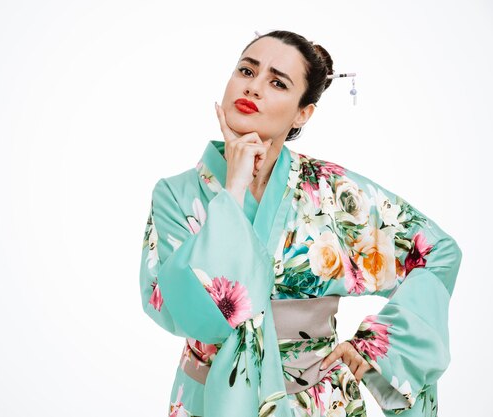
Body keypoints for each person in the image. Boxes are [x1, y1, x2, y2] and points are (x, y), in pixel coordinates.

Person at [138, 30, 462, 417]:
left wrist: (376, 345)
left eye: (277, 82)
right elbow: (189, 313)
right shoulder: (174, 195)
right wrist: (234, 189)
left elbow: (436, 251)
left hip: (315, 403)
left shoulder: (329, 189)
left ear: (302, 113)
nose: (254, 88)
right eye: (246, 70)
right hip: (209, 402)